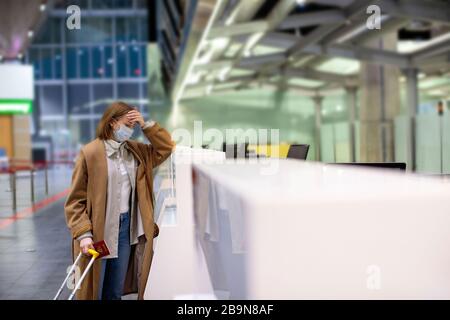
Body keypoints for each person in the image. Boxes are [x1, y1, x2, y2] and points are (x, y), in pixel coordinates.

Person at [64, 101, 174, 300]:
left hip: (125, 230)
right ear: (113, 123)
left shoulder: (135, 151)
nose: (131, 130)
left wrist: (146, 124)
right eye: (128, 124)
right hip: (98, 230)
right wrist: (84, 234)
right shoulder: (90, 153)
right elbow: (75, 200)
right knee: (92, 290)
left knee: (115, 291)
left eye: (134, 126)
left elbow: (166, 148)